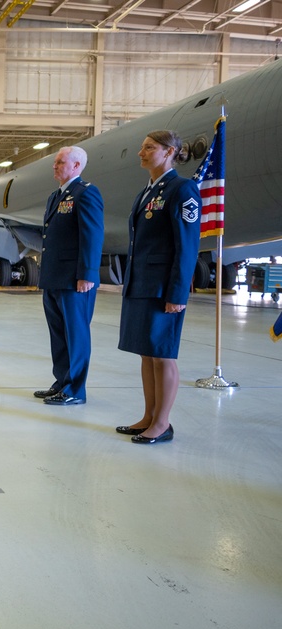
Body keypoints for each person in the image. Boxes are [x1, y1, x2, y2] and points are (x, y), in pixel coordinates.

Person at [116, 130, 200, 444]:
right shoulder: (147, 192)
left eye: (148, 147)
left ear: (169, 152)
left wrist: (178, 293)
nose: (141, 152)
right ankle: (149, 416)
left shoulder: (182, 189)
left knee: (163, 355)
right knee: (147, 354)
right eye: (142, 147)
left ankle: (162, 423)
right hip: (142, 284)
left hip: (163, 287)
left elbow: (187, 246)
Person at [34, 146, 105, 406]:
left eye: (60, 162)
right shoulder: (56, 196)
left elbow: (92, 236)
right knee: (59, 333)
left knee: (76, 334)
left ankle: (75, 388)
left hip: (75, 280)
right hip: (54, 277)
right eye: (55, 162)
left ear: (76, 166)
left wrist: (87, 274)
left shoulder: (86, 193)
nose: (54, 166)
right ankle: (62, 382)